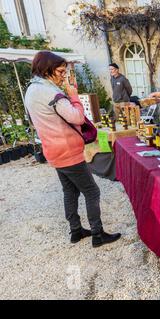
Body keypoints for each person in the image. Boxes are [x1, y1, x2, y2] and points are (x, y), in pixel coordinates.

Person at [25, 51, 121, 248]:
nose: (63, 76)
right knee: (92, 191)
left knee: (69, 191)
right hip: (68, 151)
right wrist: (74, 96)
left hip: (52, 150)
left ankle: (76, 231)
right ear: (47, 69)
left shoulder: (31, 90)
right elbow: (77, 117)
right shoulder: (52, 93)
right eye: (60, 71)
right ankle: (97, 234)